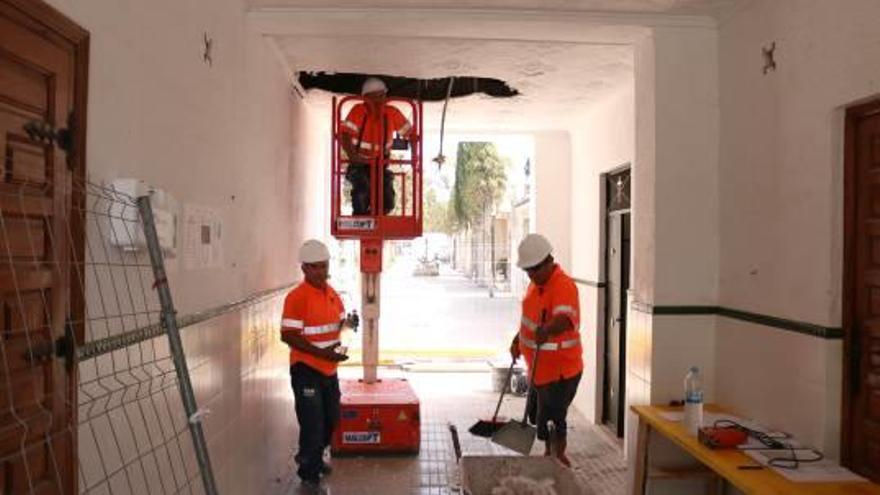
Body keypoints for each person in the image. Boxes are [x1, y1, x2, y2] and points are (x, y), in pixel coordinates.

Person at [280, 239, 357, 491]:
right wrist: (322, 355)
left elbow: (338, 324)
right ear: (305, 269)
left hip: (328, 370)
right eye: (317, 268)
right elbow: (288, 335)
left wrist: (349, 324)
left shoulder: (331, 293)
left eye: (325, 266)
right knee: (312, 423)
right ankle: (309, 473)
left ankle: (311, 457)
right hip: (306, 370)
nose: (323, 272)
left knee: (331, 419)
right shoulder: (296, 297)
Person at [508, 234, 583, 467]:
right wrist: (517, 340)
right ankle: (549, 452)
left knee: (555, 417)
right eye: (528, 271)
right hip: (540, 370)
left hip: (562, 371)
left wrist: (548, 330)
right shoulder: (535, 285)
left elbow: (565, 318)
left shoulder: (563, 285)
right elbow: (529, 319)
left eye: (535, 270)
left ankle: (558, 457)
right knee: (539, 418)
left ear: (548, 261)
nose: (531, 275)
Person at [339, 77, 412, 215]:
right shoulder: (358, 111)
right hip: (359, 164)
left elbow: (411, 134)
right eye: (377, 96)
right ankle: (361, 218)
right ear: (366, 98)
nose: (381, 100)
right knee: (362, 190)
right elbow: (344, 135)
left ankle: (378, 219)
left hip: (380, 165)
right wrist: (353, 156)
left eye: (383, 95)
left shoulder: (392, 113)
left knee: (388, 201)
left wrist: (416, 154)